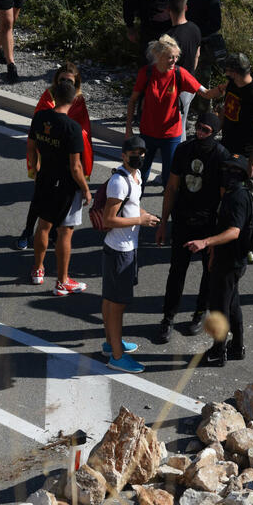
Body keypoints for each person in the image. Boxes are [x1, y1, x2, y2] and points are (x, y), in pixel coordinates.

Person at [154, 112, 230, 344]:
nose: (199, 133)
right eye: (198, 127)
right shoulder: (184, 149)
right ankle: (168, 317)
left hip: (207, 224)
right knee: (176, 271)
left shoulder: (221, 156)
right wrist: (163, 223)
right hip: (183, 220)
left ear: (214, 133)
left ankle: (199, 313)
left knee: (209, 272)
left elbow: (224, 198)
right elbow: (171, 187)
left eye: (205, 130)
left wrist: (217, 236)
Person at [185, 153, 253, 367]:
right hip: (230, 259)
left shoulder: (237, 198)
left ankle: (218, 352)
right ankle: (237, 347)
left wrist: (205, 242)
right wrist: (213, 251)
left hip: (229, 262)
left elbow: (234, 231)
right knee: (232, 304)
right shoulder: (235, 194)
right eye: (225, 169)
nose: (227, 174)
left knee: (220, 308)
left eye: (233, 171)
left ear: (242, 175)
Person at [125, 35, 222, 187]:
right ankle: (135, 202)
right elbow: (132, 100)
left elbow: (206, 93)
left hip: (171, 135)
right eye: (170, 57)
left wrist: (222, 88)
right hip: (148, 133)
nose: (174, 61)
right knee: (140, 175)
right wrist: (128, 129)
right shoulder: (146, 73)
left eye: (176, 57)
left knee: (169, 178)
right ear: (159, 55)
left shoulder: (179, 73)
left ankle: (167, 203)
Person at [15, 63, 93, 250]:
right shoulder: (47, 98)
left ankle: (51, 235)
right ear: (56, 80)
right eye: (62, 79)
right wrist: (35, 166)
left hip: (67, 162)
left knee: (58, 207)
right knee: (38, 202)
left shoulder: (78, 101)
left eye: (69, 81)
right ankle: (28, 231)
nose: (65, 83)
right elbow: (34, 138)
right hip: (49, 160)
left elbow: (84, 130)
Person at [27, 80, 92, 295]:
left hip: (44, 178)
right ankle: (62, 281)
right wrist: (85, 189)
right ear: (74, 99)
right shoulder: (72, 128)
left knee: (43, 225)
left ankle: (38, 269)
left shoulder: (40, 117)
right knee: (65, 231)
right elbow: (75, 167)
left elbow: (31, 146)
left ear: (54, 96)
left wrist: (36, 169)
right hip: (65, 186)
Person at [102, 135, 160, 373]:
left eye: (141, 153)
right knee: (117, 304)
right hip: (120, 250)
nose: (138, 157)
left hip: (123, 247)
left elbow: (132, 205)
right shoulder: (119, 182)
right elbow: (108, 219)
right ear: (123, 155)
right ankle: (117, 356)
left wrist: (144, 214)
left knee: (110, 299)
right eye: (133, 154)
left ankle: (111, 343)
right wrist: (140, 220)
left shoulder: (136, 177)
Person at [219, 52, 253, 192]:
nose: (226, 73)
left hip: (244, 154)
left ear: (234, 72)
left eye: (227, 70)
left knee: (244, 190)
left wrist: (251, 163)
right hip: (227, 146)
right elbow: (225, 110)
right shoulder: (232, 83)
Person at [181, 0, 223, 118]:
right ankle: (192, 107)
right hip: (193, 41)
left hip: (204, 44)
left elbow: (215, 24)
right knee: (190, 74)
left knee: (202, 78)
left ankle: (204, 113)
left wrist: (197, 33)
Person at [164, 0, 202, 135]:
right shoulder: (195, 29)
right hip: (190, 83)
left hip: (174, 87)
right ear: (186, 8)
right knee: (182, 121)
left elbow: (165, 66)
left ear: (168, 9)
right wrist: (190, 76)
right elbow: (197, 55)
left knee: (173, 126)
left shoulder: (168, 37)